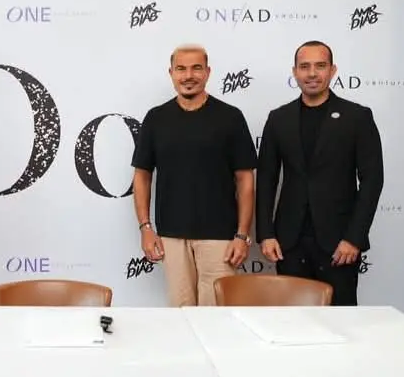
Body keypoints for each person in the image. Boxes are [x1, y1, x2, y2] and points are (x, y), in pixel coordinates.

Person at [256, 40, 383, 306]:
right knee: (292, 321)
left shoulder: (357, 117)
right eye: (304, 67)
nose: (312, 73)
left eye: (320, 66)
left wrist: (354, 238)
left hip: (339, 243)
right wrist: (266, 233)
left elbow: (372, 181)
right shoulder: (278, 118)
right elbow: (266, 179)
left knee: (340, 320)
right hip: (289, 242)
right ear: (295, 72)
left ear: (332, 70)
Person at [131, 44, 257, 307]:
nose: (188, 76)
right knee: (181, 316)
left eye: (196, 68)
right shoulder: (156, 118)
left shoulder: (231, 117)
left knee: (216, 318)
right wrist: (145, 228)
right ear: (171, 73)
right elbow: (142, 175)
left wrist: (242, 235)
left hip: (221, 238)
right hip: (171, 237)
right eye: (181, 69)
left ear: (208, 72)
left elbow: (245, 180)